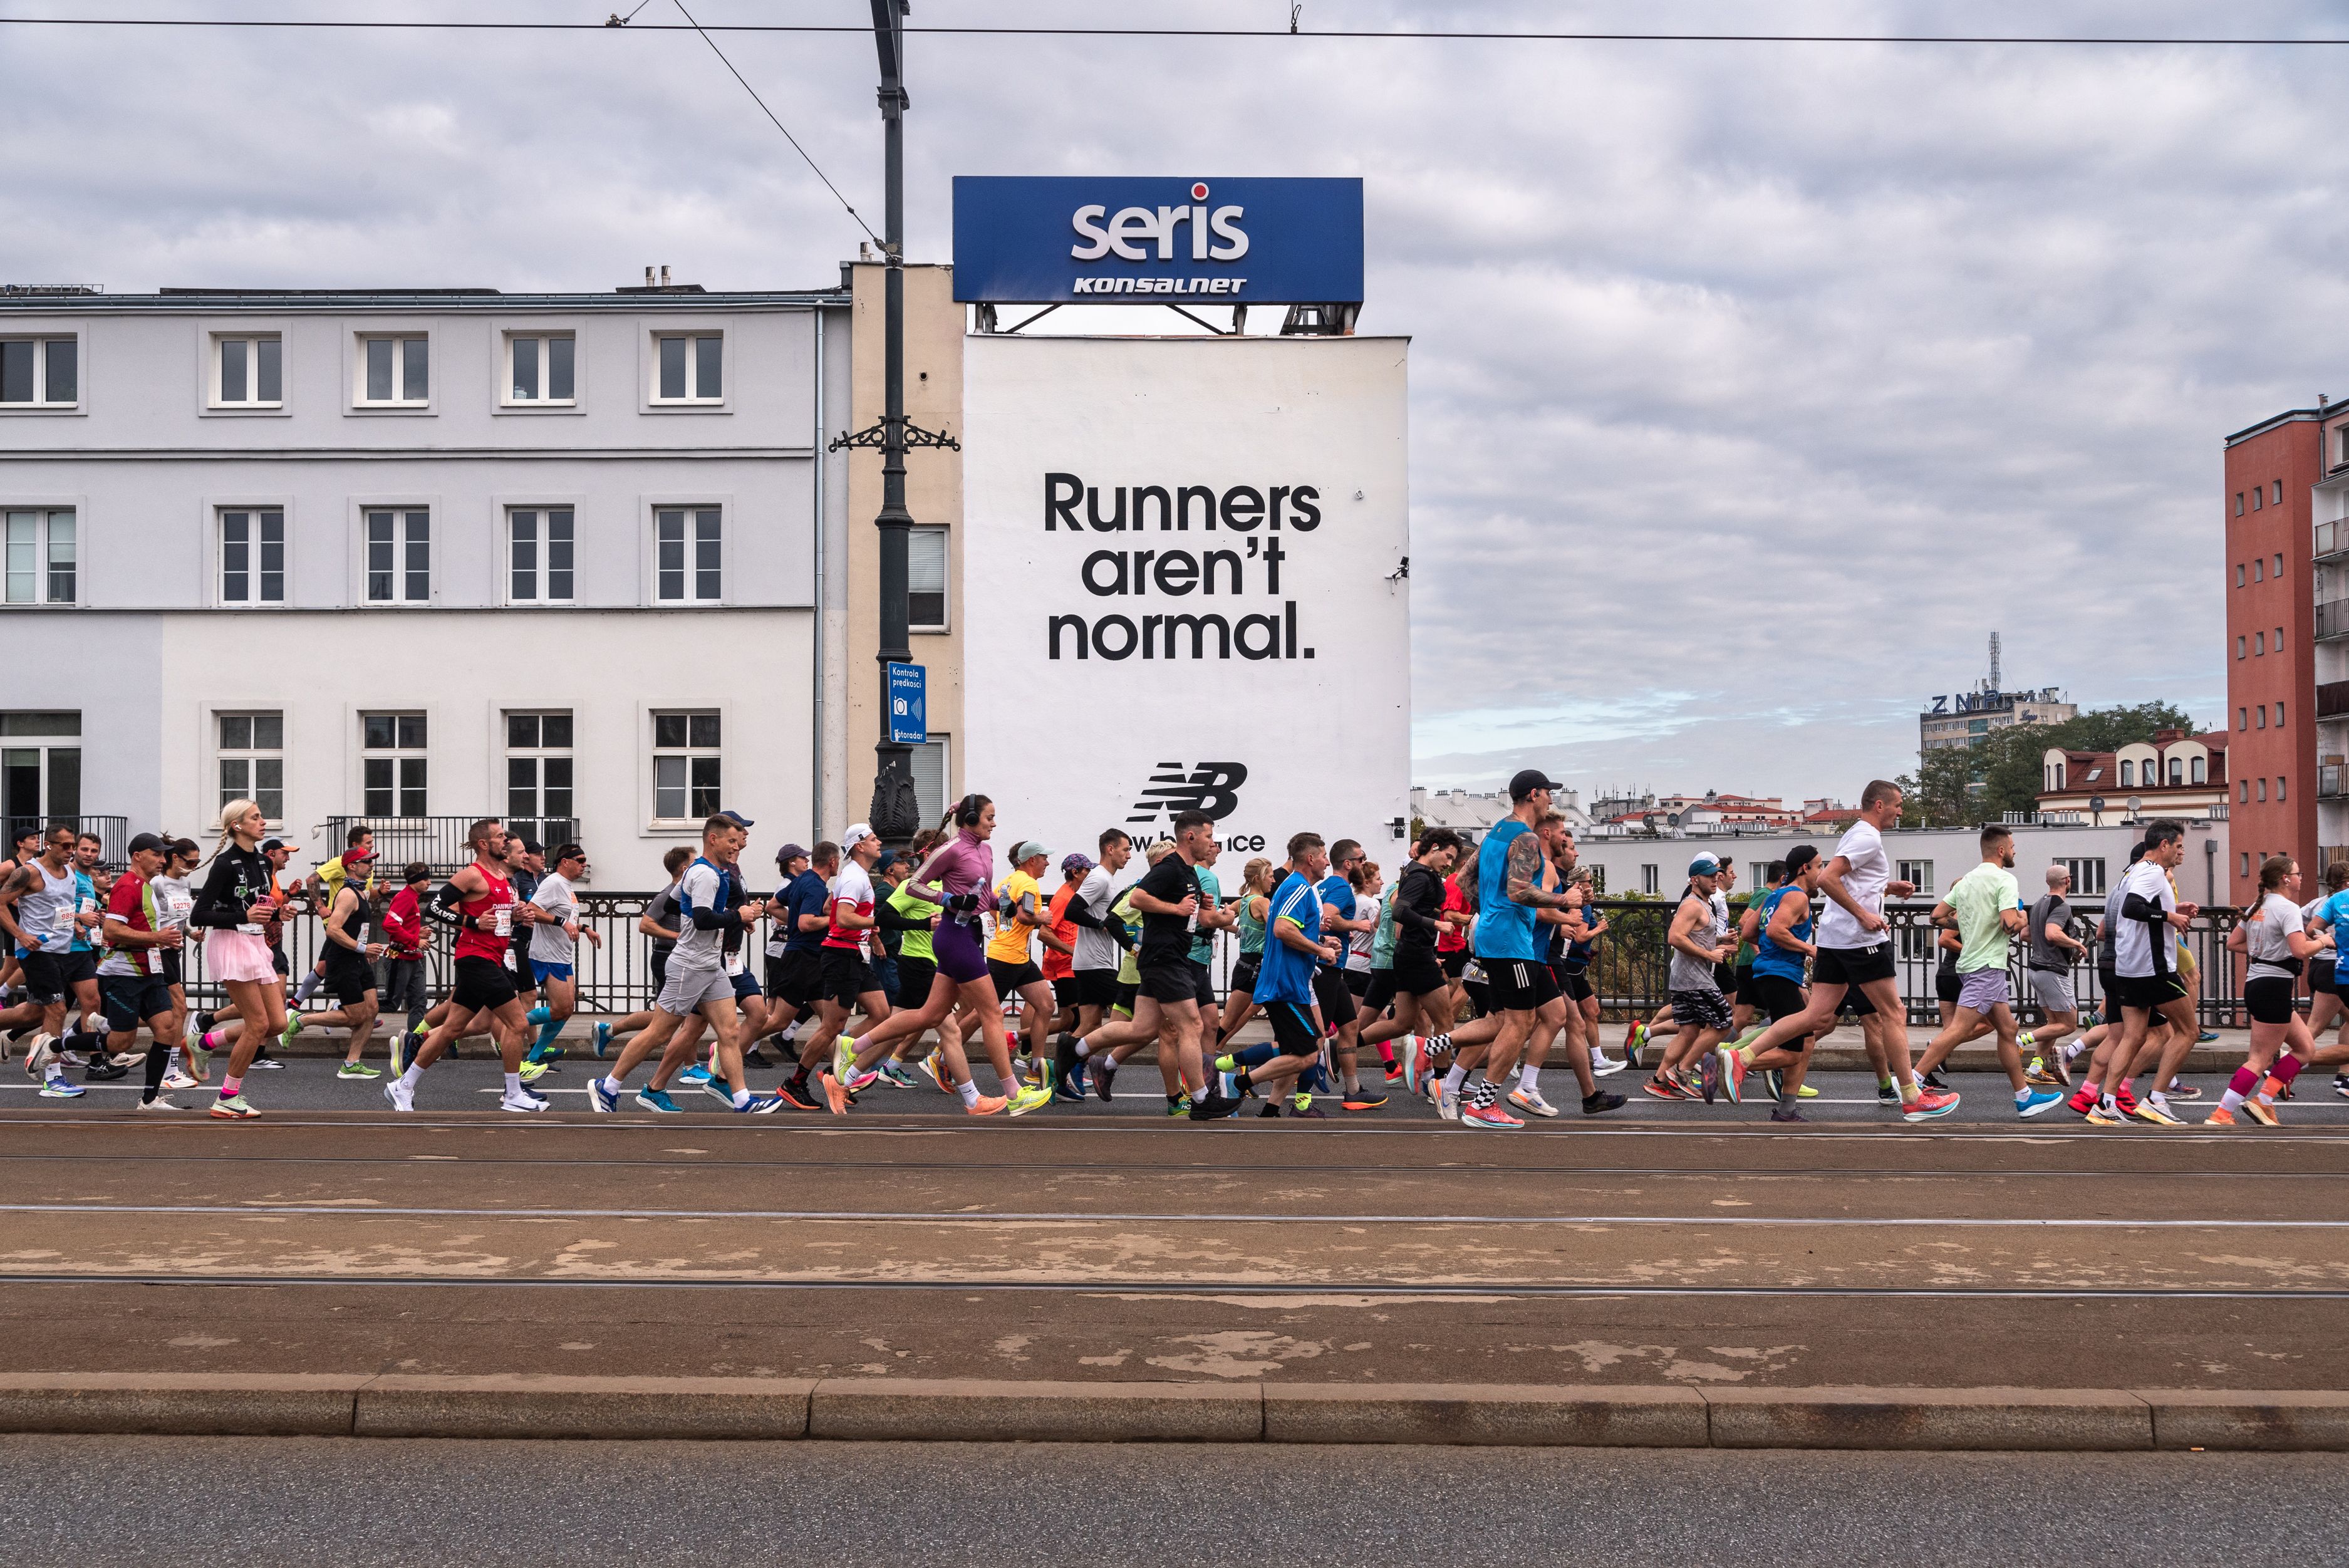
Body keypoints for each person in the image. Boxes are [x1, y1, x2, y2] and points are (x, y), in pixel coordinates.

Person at [1724, 780, 1959, 1121]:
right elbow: (1827, 879)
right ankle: (1911, 1097)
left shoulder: (1855, 833)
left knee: (1815, 1016)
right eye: (1898, 805)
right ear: (1879, 805)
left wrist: (1886, 887)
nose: (1901, 812)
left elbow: (1848, 879)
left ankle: (1741, 1058)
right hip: (1858, 940)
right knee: (1894, 1013)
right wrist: (1866, 914)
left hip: (1834, 939)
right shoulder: (1868, 837)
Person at [838, 796, 1049, 1116]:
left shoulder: (986, 850)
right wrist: (948, 898)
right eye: (989, 817)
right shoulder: (950, 849)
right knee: (992, 1011)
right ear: (971, 819)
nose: (994, 823)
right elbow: (915, 886)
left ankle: (854, 1047)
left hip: (971, 932)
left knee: (930, 1016)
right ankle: (1014, 1093)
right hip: (955, 935)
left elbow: (982, 893)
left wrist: (1001, 902)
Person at [587, 813, 780, 1115]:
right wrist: (737, 916)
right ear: (713, 839)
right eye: (731, 840)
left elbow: (678, 902)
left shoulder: (702, 872)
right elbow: (703, 919)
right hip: (689, 965)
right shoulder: (705, 874)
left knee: (729, 1033)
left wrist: (716, 912)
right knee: (660, 1033)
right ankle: (608, 1085)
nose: (736, 847)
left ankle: (743, 1101)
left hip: (710, 966)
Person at [1448, 771, 1579, 1130]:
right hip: (1510, 939)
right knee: (1518, 1023)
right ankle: (1483, 1105)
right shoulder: (1525, 838)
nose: (1551, 799)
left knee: (1514, 1018)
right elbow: (1520, 891)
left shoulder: (1496, 832)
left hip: (1494, 933)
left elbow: (1464, 880)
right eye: (1548, 794)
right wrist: (1563, 899)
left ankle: (1437, 1056)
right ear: (1533, 794)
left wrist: (1489, 910)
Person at [386, 818, 544, 1114]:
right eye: (500, 837)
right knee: (518, 1023)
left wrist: (519, 915)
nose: (505, 842)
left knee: (451, 1029)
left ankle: (403, 1086)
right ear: (485, 844)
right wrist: (471, 922)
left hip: (491, 958)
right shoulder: (472, 874)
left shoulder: (503, 878)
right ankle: (513, 1094)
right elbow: (434, 906)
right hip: (476, 958)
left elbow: (498, 916)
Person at [1911, 827, 2063, 1118]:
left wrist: (1972, 925)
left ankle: (2024, 1098)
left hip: (1972, 964)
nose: (2016, 850)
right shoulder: (2005, 879)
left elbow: (1936, 916)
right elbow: (2009, 925)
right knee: (1959, 1029)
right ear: (2002, 850)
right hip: (1987, 966)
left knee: (2008, 1029)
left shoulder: (1967, 881)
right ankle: (1910, 1082)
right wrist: (2021, 917)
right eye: (2013, 846)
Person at [1217, 833, 1345, 1116]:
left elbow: (1291, 930)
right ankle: (1234, 1080)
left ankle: (1269, 1108)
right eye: (1323, 856)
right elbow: (1282, 930)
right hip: (1284, 985)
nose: (1327, 862)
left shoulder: (1298, 888)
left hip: (1291, 984)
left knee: (1294, 1052)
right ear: (1310, 859)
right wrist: (1321, 952)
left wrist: (1322, 944)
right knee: (1310, 1052)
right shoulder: (1298, 887)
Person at [2087, 819, 2201, 1126]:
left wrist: (2174, 907)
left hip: (2128, 967)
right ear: (2163, 845)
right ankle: (2156, 1099)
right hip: (2152, 968)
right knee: (2189, 1032)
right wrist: (2169, 916)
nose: (2182, 851)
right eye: (2179, 845)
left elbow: (2138, 906)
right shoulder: (2152, 872)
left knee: (2133, 1037)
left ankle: (2105, 1104)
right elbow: (2133, 909)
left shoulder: (2132, 871)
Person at [185, 801, 292, 1119]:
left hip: (256, 942)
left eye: (261, 816)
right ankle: (227, 1097)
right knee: (258, 1024)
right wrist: (241, 916)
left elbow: (258, 904)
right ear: (237, 826)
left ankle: (202, 1043)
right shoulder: (225, 864)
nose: (263, 822)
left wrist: (278, 912)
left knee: (278, 1023)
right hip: (232, 944)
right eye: (256, 818)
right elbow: (199, 913)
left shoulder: (261, 861)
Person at [2216, 855, 2330, 1126]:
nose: (2302, 877)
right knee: (2259, 1059)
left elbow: (2233, 943)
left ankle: (2264, 1102)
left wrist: (2263, 952)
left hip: (2257, 983)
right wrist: (2325, 941)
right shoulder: (2288, 908)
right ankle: (2222, 1113)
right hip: (2274, 986)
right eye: (2298, 873)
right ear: (2286, 879)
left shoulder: (2260, 905)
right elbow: (2300, 951)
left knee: (2305, 1048)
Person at [1719, 843, 1823, 1122]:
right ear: (1805, 868)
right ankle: (1736, 1059)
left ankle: (1787, 1109)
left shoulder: (1775, 895)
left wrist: (1770, 950)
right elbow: (1776, 929)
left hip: (1767, 972)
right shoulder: (1798, 896)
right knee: (1792, 1053)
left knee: (1807, 1037)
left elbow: (1750, 931)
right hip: (1780, 975)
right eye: (1820, 866)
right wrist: (1809, 949)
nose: (1821, 874)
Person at [93, 833, 190, 1110]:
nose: (163, 860)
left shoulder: (147, 885)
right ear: (137, 856)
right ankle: (56, 1045)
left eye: (164, 855)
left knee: (167, 1027)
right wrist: (158, 938)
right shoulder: (127, 886)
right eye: (157, 855)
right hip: (123, 972)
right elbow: (111, 931)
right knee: (122, 1041)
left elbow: (148, 925)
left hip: (151, 969)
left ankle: (149, 1100)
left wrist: (165, 938)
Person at [811, 824, 898, 1114]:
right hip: (841, 955)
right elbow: (845, 917)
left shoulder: (855, 877)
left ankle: (840, 1060)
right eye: (874, 839)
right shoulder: (852, 877)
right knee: (832, 1026)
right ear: (859, 846)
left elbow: (829, 909)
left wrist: (871, 937)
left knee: (882, 1013)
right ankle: (806, 1078)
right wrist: (874, 922)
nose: (880, 842)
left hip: (855, 954)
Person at [520, 843, 601, 1076]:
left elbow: (564, 918)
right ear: (565, 861)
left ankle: (533, 1059)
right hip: (547, 955)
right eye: (581, 860)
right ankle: (514, 1023)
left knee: (566, 1010)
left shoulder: (566, 887)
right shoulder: (554, 882)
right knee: (560, 1009)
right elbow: (532, 910)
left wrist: (584, 928)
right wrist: (561, 923)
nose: (585, 865)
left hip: (561, 954)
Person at [985, 839, 1062, 1080]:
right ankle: (941, 1056)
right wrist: (1043, 918)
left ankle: (1036, 1067)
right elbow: (1024, 917)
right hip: (1006, 959)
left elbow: (993, 909)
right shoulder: (1028, 883)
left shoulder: (1007, 882)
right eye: (1044, 858)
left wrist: (1005, 928)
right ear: (1032, 860)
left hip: (1018, 958)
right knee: (982, 1014)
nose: (1047, 863)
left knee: (1047, 1005)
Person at [2018, 864, 2088, 1086]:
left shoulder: (2039, 904)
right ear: (2068, 881)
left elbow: (2025, 935)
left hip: (2036, 970)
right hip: (2052, 972)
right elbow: (2052, 933)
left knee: (2053, 1023)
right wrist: (2076, 943)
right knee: (2068, 1025)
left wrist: (2059, 947)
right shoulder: (2062, 906)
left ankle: (2036, 1068)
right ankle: (2020, 1041)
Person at [379, 863, 433, 1049]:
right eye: (426, 879)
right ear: (416, 879)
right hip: (400, 958)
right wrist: (415, 940)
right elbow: (390, 925)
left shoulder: (412, 898)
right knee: (391, 1004)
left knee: (419, 1002)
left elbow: (401, 926)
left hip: (413, 958)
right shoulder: (405, 898)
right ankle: (348, 1007)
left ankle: (415, 1045)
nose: (429, 882)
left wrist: (418, 934)